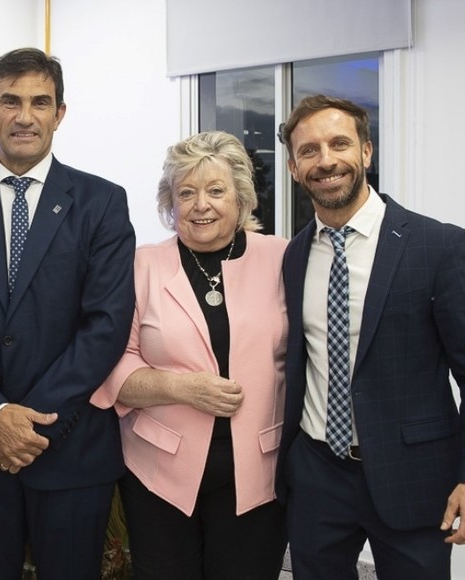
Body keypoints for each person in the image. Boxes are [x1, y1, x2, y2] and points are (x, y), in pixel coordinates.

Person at [0, 47, 136, 579]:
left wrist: (27, 424)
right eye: (10, 101)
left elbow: (105, 325)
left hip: (69, 444)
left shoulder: (101, 202)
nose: (24, 116)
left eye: (40, 102)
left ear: (60, 113)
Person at [276, 94, 465, 579]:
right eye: (309, 151)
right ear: (295, 168)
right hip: (318, 476)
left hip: (414, 477)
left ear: (366, 152)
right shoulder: (294, 256)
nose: (326, 160)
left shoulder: (438, 246)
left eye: (339, 143)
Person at [91, 131, 289, 579]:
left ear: (240, 197)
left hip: (258, 472)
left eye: (216, 191)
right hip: (158, 473)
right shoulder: (141, 265)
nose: (201, 204)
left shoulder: (282, 258)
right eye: (187, 192)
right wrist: (181, 387)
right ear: (170, 202)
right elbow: (111, 358)